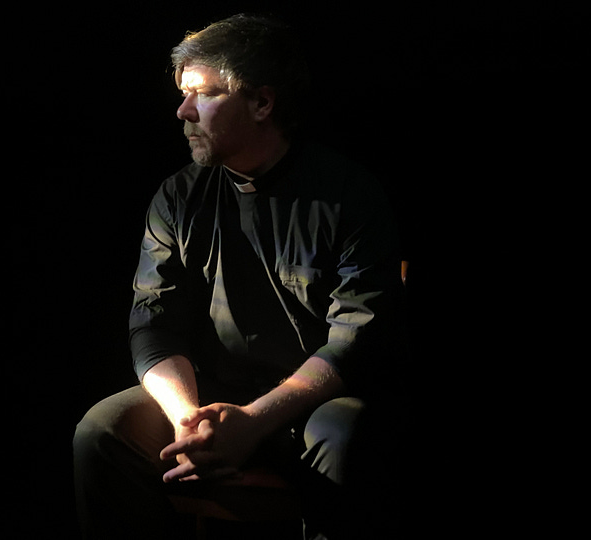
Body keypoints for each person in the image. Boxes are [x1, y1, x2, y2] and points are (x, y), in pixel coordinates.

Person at [74, 13, 411, 539]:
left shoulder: (349, 196)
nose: (183, 111)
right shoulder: (177, 198)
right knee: (102, 432)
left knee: (346, 434)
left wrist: (253, 421)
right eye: (183, 94)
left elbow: (355, 339)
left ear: (262, 103)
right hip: (209, 396)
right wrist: (188, 420)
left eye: (203, 94)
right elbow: (153, 323)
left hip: (309, 403)